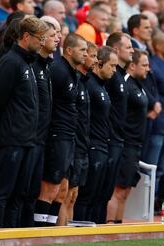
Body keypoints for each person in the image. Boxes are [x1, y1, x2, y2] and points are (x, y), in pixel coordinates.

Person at [0, 17, 48, 228]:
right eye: (40, 38)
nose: (42, 42)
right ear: (26, 36)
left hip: (28, 139)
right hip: (11, 138)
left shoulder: (28, 62)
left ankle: (12, 237)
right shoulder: (11, 62)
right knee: (4, 192)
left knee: (19, 194)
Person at [35, 33, 87, 227]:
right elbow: (47, 102)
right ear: (69, 50)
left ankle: (51, 230)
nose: (85, 54)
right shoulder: (58, 70)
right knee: (50, 187)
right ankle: (40, 232)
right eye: (82, 50)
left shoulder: (73, 73)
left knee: (63, 190)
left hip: (69, 135)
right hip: (57, 135)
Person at [22, 21, 59, 227]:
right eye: (51, 35)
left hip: (43, 136)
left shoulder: (47, 66)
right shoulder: (32, 65)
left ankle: (33, 231)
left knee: (33, 189)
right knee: (25, 188)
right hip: (30, 135)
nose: (56, 38)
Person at [74, 46, 116, 223]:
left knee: (100, 195)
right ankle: (81, 234)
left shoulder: (101, 86)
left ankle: (98, 233)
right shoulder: (89, 84)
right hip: (92, 146)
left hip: (102, 145)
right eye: (112, 66)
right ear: (99, 64)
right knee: (87, 195)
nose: (114, 70)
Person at [58, 41, 97, 226]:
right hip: (68, 141)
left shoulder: (82, 81)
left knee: (73, 194)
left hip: (81, 143)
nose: (94, 60)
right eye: (90, 54)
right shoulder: (68, 76)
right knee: (63, 193)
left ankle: (69, 234)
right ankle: (57, 233)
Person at [109, 48, 149, 224]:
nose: (148, 68)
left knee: (126, 191)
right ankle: (109, 227)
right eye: (144, 65)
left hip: (136, 144)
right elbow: (118, 112)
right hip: (125, 143)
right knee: (117, 190)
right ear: (132, 66)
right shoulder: (125, 83)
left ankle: (118, 227)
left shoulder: (139, 85)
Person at [104, 32, 134, 224]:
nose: (132, 50)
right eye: (128, 46)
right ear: (116, 49)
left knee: (112, 187)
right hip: (108, 139)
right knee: (108, 189)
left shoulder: (123, 76)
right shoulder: (111, 77)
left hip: (120, 139)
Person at [141, 32, 164, 195]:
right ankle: (145, 204)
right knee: (151, 167)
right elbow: (146, 87)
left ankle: (153, 201)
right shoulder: (153, 65)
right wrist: (153, 105)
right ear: (159, 46)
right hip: (157, 123)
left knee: (161, 168)